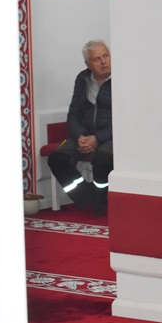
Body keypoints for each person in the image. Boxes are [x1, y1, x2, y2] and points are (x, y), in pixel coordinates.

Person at [47, 39, 113, 215]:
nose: (104, 62)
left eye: (106, 56)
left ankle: (102, 200)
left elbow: (126, 118)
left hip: (111, 135)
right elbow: (73, 114)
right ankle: (88, 197)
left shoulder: (121, 80)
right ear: (87, 64)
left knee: (103, 157)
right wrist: (81, 137)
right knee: (56, 158)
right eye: (97, 59)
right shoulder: (82, 79)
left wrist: (98, 139)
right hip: (84, 134)